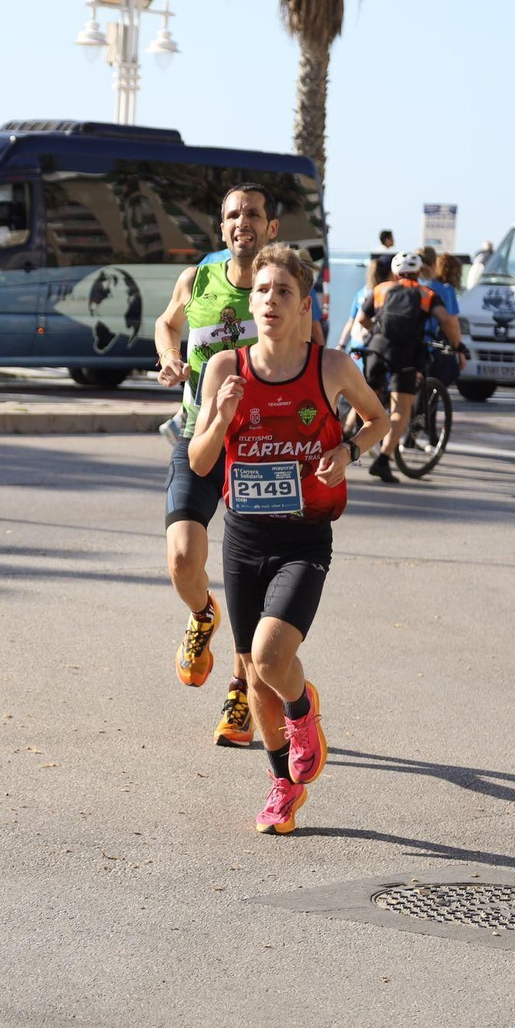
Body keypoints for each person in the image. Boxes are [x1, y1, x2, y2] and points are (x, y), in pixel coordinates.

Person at [187, 242, 389, 834]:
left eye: (283, 292)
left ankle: (305, 710)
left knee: (274, 656)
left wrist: (347, 450)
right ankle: (282, 788)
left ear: (304, 306)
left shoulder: (330, 368)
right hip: (244, 536)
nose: (270, 300)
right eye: (262, 291)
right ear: (250, 301)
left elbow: (379, 418)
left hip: (304, 537)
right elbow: (200, 463)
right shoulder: (227, 368)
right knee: (251, 674)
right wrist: (221, 418)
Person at [154, 183, 284, 749]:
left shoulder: (281, 285)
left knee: (247, 577)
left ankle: (239, 689)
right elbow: (167, 324)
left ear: (270, 226)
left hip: (255, 449)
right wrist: (170, 358)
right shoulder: (199, 279)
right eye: (233, 215)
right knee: (184, 555)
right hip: (197, 432)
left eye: (253, 214)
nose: (242, 223)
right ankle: (203, 614)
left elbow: (310, 353)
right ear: (222, 227)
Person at [354, 250, 463, 482]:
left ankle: (345, 437)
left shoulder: (381, 289)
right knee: (401, 409)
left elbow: (362, 319)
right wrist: (458, 345)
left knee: (366, 396)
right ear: (419, 271)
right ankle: (383, 460)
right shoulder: (426, 294)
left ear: (395, 271)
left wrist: (378, 328)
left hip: (377, 348)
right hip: (406, 354)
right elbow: (447, 320)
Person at [424, 252, 468, 385]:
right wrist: (460, 350)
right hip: (435, 345)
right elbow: (452, 323)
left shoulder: (425, 285)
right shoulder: (447, 290)